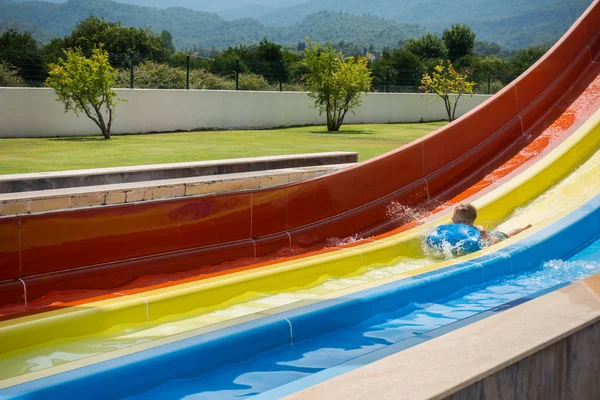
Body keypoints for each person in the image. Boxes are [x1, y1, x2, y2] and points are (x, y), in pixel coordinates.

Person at [451, 203, 532, 246]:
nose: (452, 218)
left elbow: (489, 242)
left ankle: (525, 228)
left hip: (497, 238)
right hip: (491, 235)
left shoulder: (479, 230)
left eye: (454, 216)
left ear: (464, 222)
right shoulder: (460, 230)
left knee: (509, 235)